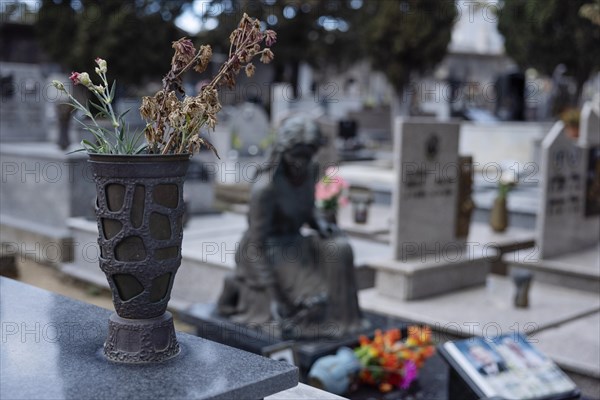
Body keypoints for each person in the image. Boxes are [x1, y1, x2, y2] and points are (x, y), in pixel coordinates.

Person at [217, 115, 364, 339]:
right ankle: (243, 290)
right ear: (282, 151)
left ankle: (345, 323)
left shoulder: (311, 170)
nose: (301, 163)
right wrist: (275, 295)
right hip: (267, 249)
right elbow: (257, 246)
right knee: (314, 302)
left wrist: (321, 224)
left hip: (296, 242)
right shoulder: (266, 188)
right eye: (296, 156)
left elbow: (308, 207)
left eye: (307, 156)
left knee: (340, 248)